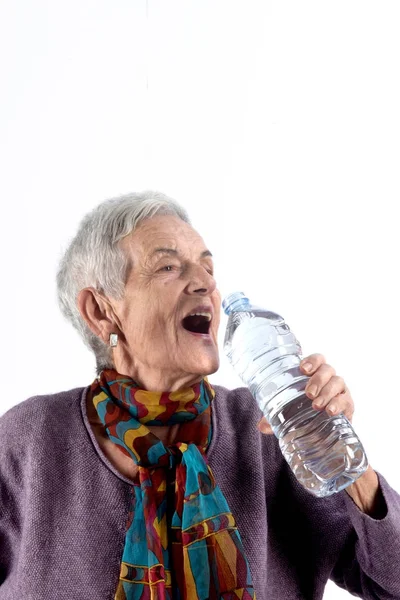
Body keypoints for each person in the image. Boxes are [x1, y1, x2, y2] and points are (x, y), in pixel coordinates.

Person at [0, 190, 399, 600]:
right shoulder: (31, 438)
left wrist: (348, 462)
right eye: (168, 266)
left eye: (208, 269)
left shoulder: (267, 427)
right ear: (102, 312)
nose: (205, 284)